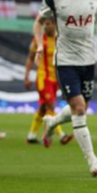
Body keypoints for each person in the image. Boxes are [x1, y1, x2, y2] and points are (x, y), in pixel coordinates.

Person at [35, 0, 97, 177]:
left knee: (82, 107)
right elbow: (38, 23)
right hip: (66, 62)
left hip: (88, 60)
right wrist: (39, 45)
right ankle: (93, 162)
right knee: (79, 109)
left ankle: (52, 121)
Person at [24, 17, 73, 146]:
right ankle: (60, 135)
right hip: (43, 78)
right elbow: (30, 58)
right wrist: (26, 76)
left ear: (55, 25)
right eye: (45, 24)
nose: (46, 27)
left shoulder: (59, 40)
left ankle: (31, 136)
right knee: (50, 106)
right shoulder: (38, 40)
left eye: (48, 24)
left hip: (54, 79)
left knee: (43, 108)